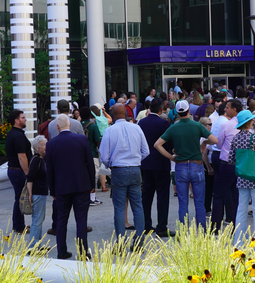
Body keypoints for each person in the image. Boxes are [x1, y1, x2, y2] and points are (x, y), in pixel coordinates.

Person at [155, 103, 217, 230]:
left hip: (181, 166)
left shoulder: (173, 128)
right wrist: (204, 141)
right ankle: (203, 231)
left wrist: (170, 157)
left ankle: (183, 231)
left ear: (177, 113)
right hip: (197, 165)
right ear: (188, 111)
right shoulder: (197, 125)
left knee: (183, 202)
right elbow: (215, 140)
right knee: (199, 202)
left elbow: (157, 144)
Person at [45, 115, 96, 259]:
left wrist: (53, 190)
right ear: (70, 124)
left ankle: (61, 251)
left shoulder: (51, 144)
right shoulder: (81, 140)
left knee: (61, 219)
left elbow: (50, 169)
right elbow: (90, 164)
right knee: (81, 219)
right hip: (81, 185)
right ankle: (83, 252)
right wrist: (92, 184)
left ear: (57, 127)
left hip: (61, 187)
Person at [99, 103, 149, 242]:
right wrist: (136, 161)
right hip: (134, 169)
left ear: (113, 115)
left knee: (120, 208)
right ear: (125, 114)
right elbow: (146, 151)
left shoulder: (110, 130)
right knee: (137, 207)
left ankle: (121, 241)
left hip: (118, 170)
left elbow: (104, 156)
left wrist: (111, 165)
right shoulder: (136, 128)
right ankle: (139, 240)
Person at [228, 109, 255, 247]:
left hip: (242, 177)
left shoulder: (235, 138)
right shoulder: (254, 138)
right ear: (250, 122)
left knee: (241, 209)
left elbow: (231, 159)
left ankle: (238, 242)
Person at [139, 99, 172, 237]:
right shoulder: (163, 123)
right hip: (161, 162)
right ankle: (161, 227)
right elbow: (168, 142)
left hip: (146, 162)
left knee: (147, 194)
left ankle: (146, 224)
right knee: (162, 195)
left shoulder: (141, 122)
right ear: (161, 110)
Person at [210, 100, 243, 229]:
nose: (225, 110)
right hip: (239, 164)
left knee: (218, 194)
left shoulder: (227, 125)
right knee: (235, 195)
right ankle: (235, 223)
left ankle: (215, 226)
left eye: (228, 108)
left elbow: (218, 144)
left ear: (234, 110)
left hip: (227, 162)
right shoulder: (245, 126)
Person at [4, 109, 32, 234]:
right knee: (20, 198)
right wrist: (27, 173)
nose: (25, 119)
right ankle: (19, 226)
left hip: (14, 170)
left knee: (19, 198)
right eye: (22, 117)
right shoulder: (18, 136)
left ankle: (18, 224)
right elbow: (22, 156)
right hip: (18, 171)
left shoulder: (13, 134)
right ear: (16, 121)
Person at [26, 136, 50, 245]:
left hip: (41, 192)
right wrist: (30, 194)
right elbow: (30, 177)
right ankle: (33, 246)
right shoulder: (36, 160)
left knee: (39, 219)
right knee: (37, 220)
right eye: (43, 145)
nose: (46, 146)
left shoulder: (41, 159)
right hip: (37, 193)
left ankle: (38, 244)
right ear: (37, 147)